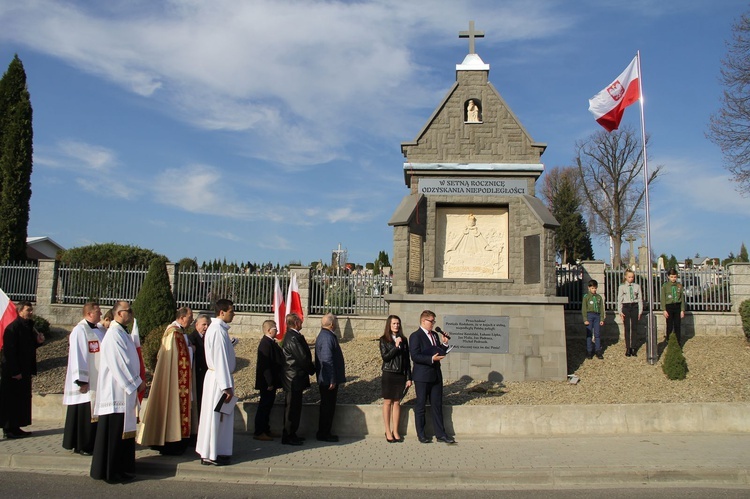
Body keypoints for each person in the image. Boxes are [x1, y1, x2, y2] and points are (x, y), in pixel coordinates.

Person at [90, 301, 145, 484]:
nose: (131, 313)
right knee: (113, 435)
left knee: (122, 435)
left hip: (123, 391)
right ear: (120, 313)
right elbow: (120, 364)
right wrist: (136, 383)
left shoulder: (122, 333)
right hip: (115, 393)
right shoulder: (114, 335)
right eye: (129, 310)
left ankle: (122, 468)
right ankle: (111, 472)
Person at [136, 307, 194, 455]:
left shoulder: (178, 332)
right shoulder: (174, 333)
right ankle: (171, 442)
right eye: (190, 316)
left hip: (174, 376)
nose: (192, 319)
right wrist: (191, 350)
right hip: (174, 378)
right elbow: (182, 358)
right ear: (181, 318)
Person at [196, 299, 236, 466]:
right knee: (216, 417)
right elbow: (220, 360)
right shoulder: (218, 331)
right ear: (222, 312)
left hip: (216, 377)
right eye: (231, 311)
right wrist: (226, 387)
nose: (233, 314)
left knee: (217, 417)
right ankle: (212, 453)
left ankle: (216, 450)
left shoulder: (217, 329)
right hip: (219, 380)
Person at [62, 301, 106, 455]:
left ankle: (91, 443)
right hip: (86, 382)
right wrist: (81, 379)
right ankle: (82, 445)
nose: (101, 314)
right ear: (89, 313)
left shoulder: (99, 329)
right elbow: (77, 355)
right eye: (98, 311)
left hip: (97, 380)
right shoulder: (79, 331)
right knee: (83, 415)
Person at [409, 310, 455, 444]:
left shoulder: (434, 335)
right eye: (431, 321)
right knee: (421, 405)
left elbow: (438, 351)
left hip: (435, 375)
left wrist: (445, 344)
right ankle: (422, 434)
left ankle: (441, 434)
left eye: (434, 321)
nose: (433, 324)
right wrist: (431, 358)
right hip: (422, 376)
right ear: (424, 321)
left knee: (437, 405)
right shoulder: (415, 336)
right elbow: (415, 356)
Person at [0, 301, 44, 439]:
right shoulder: (12, 328)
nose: (31, 312)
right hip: (13, 371)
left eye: (31, 310)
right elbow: (9, 352)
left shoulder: (28, 328)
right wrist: (15, 371)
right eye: (28, 310)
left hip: (25, 369)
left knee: (21, 400)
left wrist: (38, 342)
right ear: (19, 312)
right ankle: (8, 428)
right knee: (10, 400)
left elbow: (28, 348)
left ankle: (17, 426)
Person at [280, 312, 315, 446]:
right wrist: (312, 369)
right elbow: (302, 357)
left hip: (295, 378)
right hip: (293, 379)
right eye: (300, 321)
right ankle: (288, 435)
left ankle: (292, 433)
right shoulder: (292, 338)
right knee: (292, 408)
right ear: (295, 323)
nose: (302, 323)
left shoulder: (294, 336)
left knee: (295, 407)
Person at [314, 313, 346, 443]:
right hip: (327, 380)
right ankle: (324, 433)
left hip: (326, 378)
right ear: (332, 324)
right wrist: (332, 379)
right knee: (327, 408)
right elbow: (327, 359)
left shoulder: (325, 335)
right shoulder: (327, 338)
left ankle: (325, 432)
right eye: (336, 322)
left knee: (327, 407)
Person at [379, 315, 411, 443]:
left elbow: (407, 359)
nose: (396, 325)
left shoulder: (404, 339)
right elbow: (385, 357)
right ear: (389, 325)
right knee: (388, 402)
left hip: (400, 374)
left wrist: (409, 377)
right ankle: (387, 430)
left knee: (397, 402)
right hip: (388, 373)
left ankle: (395, 430)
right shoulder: (383, 340)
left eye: (398, 323)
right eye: (394, 323)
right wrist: (396, 346)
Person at [253, 320, 284, 441]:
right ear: (268, 330)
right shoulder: (265, 343)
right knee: (264, 407)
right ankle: (259, 431)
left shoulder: (271, 342)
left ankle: (266, 429)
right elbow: (264, 365)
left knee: (268, 406)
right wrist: (269, 382)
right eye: (275, 329)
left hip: (271, 382)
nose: (277, 331)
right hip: (266, 383)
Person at [617, 270, 643, 357]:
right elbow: (619, 299)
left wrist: (640, 311)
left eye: (632, 277)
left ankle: (634, 347)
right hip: (626, 307)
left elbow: (640, 299)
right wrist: (620, 311)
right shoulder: (622, 287)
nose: (631, 279)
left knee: (634, 328)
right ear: (625, 277)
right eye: (629, 277)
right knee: (627, 327)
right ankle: (628, 347)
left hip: (634, 306)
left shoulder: (637, 286)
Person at [189, 314, 210, 415]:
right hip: (197, 374)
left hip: (206, 374)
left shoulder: (208, 338)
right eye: (204, 324)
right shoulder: (192, 338)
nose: (206, 327)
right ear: (197, 325)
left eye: (208, 325)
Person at [661, 268, 686, 345]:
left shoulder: (679, 286)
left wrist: (682, 310)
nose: (673, 278)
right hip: (669, 306)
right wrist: (664, 310)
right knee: (669, 325)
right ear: (668, 277)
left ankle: (678, 342)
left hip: (677, 306)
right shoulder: (665, 286)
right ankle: (669, 341)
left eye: (674, 277)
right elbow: (663, 298)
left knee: (677, 325)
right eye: (671, 277)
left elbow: (682, 298)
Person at [581, 280, 605, 360]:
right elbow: (584, 309)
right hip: (589, 315)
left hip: (597, 316)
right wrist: (585, 319)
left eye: (595, 288)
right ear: (589, 288)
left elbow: (601, 308)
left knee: (597, 334)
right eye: (592, 288)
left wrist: (602, 318)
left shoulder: (599, 297)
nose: (594, 290)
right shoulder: (586, 297)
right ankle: (589, 351)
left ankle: (598, 350)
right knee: (589, 334)